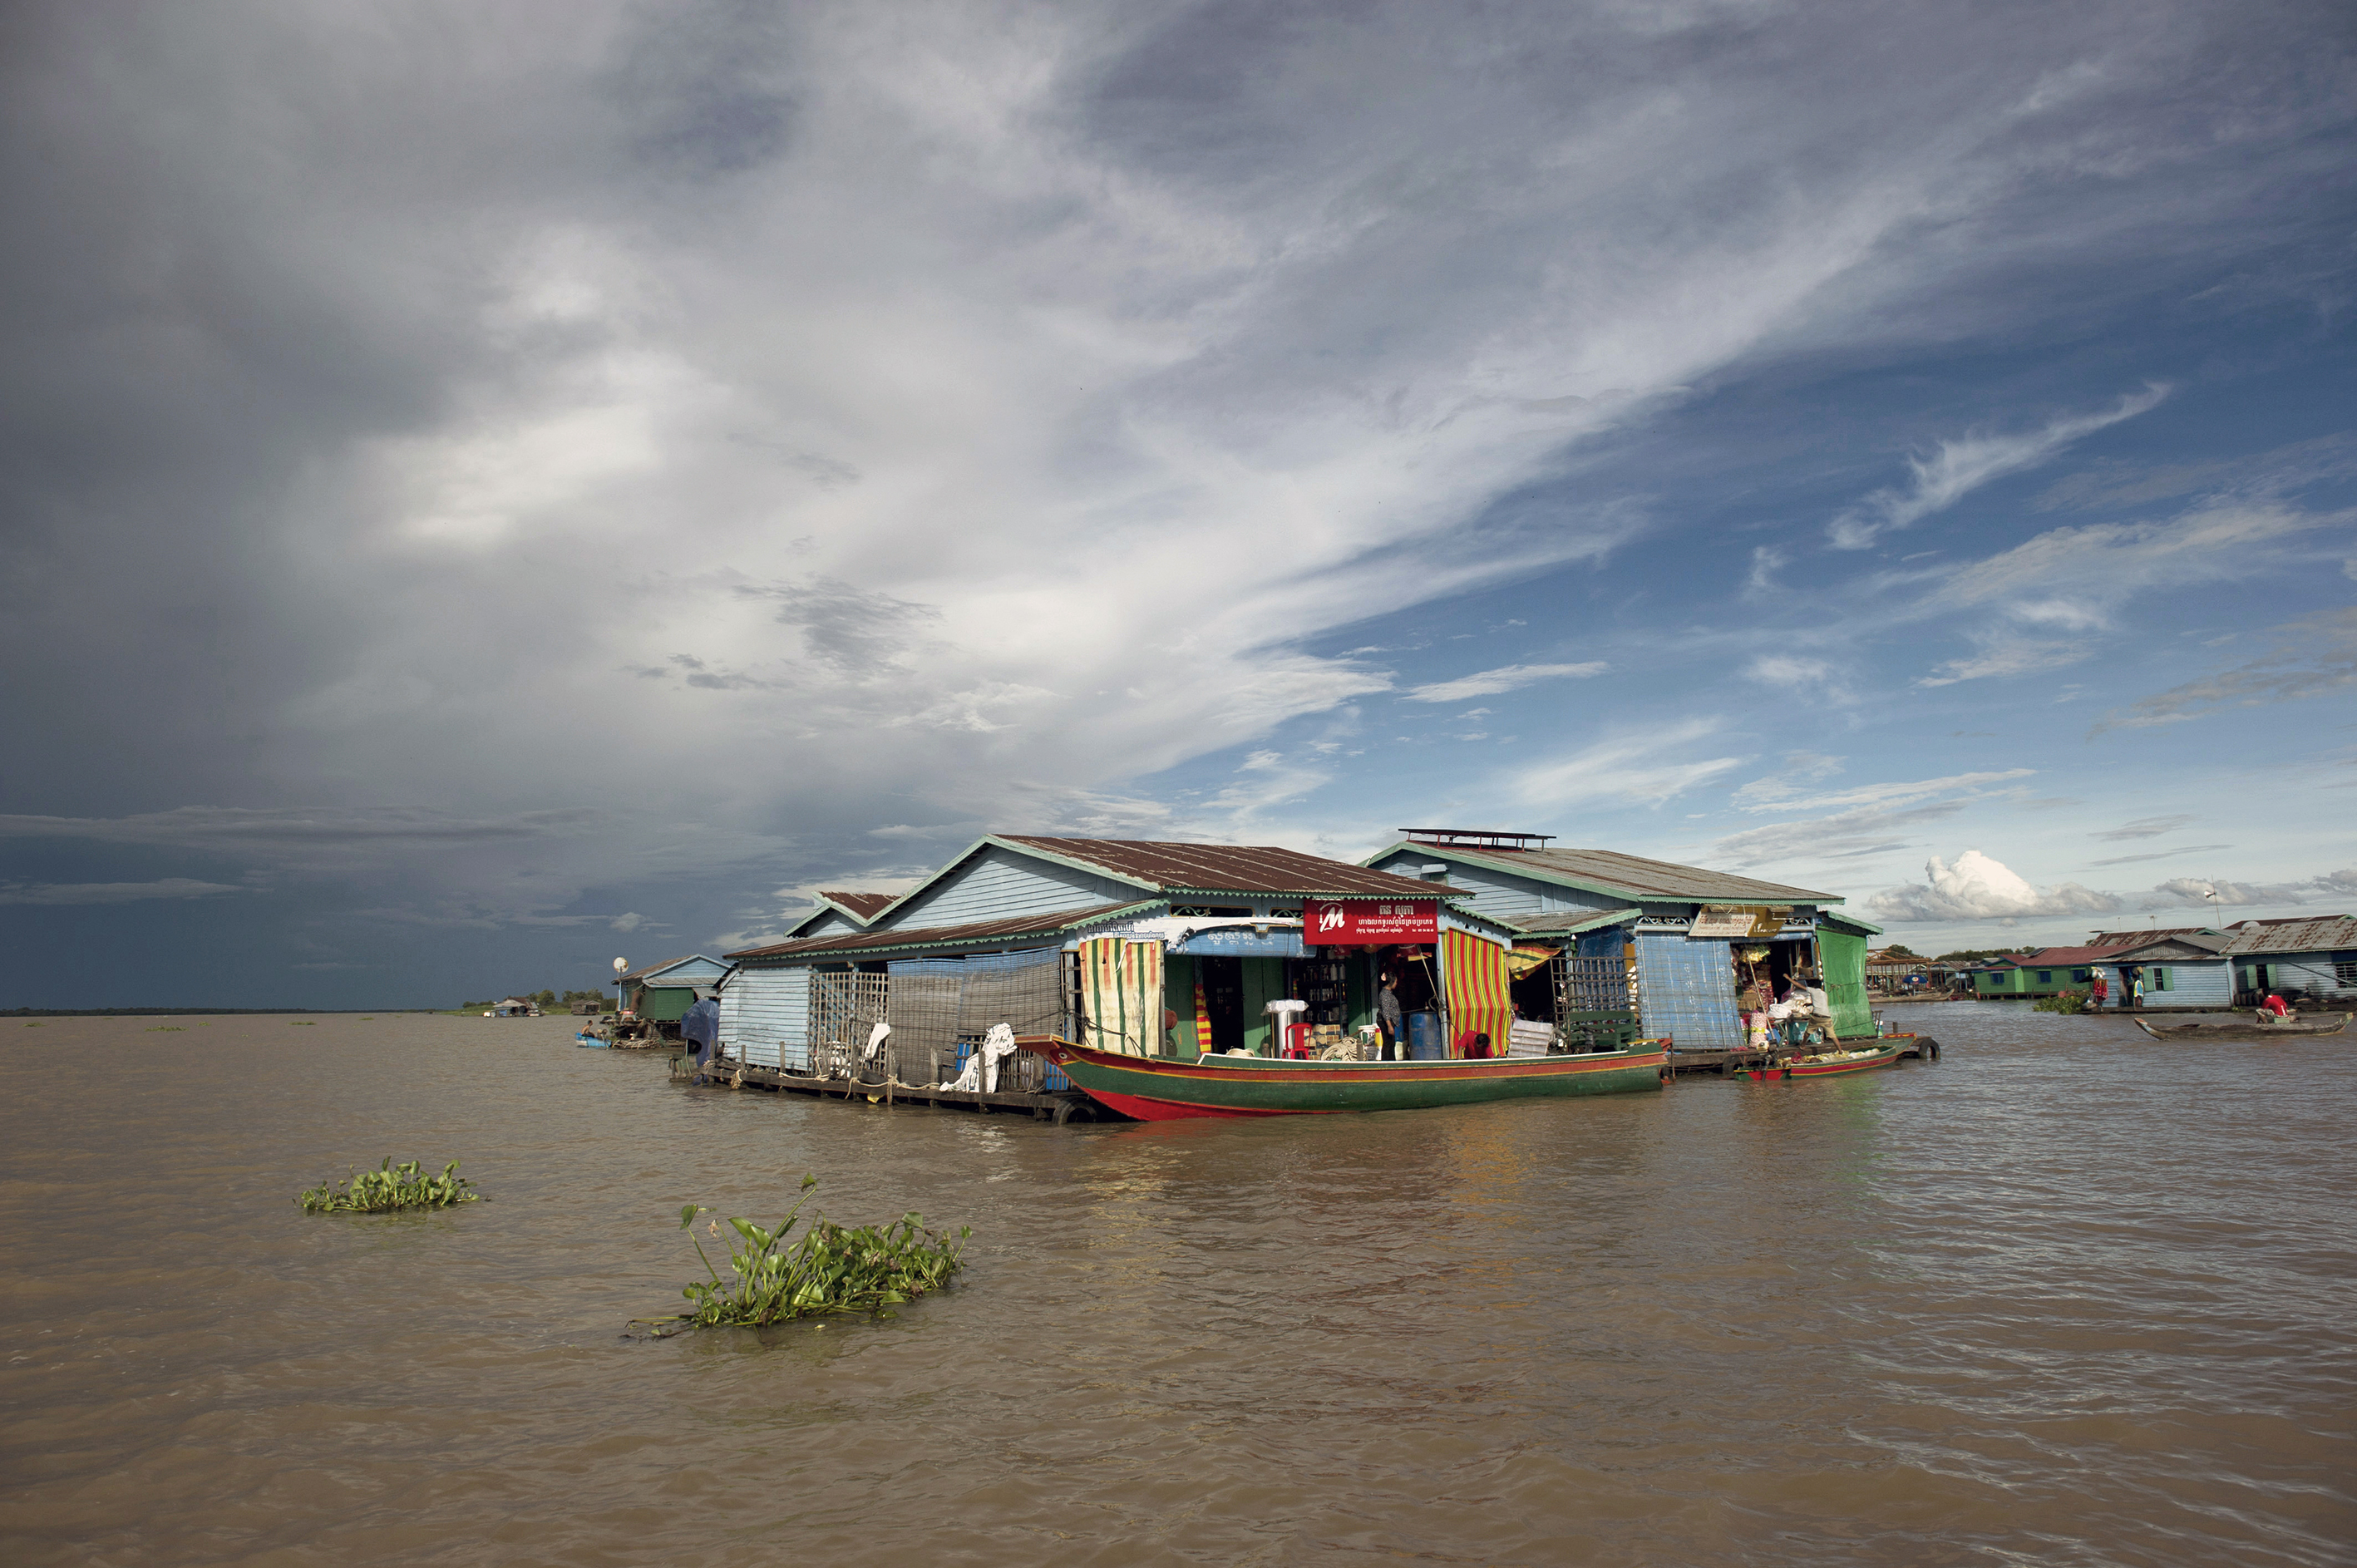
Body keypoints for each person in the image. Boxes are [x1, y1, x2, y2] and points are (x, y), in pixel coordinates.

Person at [1378, 970, 1403, 1061]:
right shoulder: (1385, 994)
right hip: (1386, 1021)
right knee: (1388, 1043)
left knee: (1391, 1043)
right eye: (1395, 981)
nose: (1396, 983)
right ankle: (1386, 1062)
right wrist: (1389, 1025)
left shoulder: (1389, 994)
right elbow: (1385, 1011)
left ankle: (1391, 1061)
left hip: (1390, 1021)